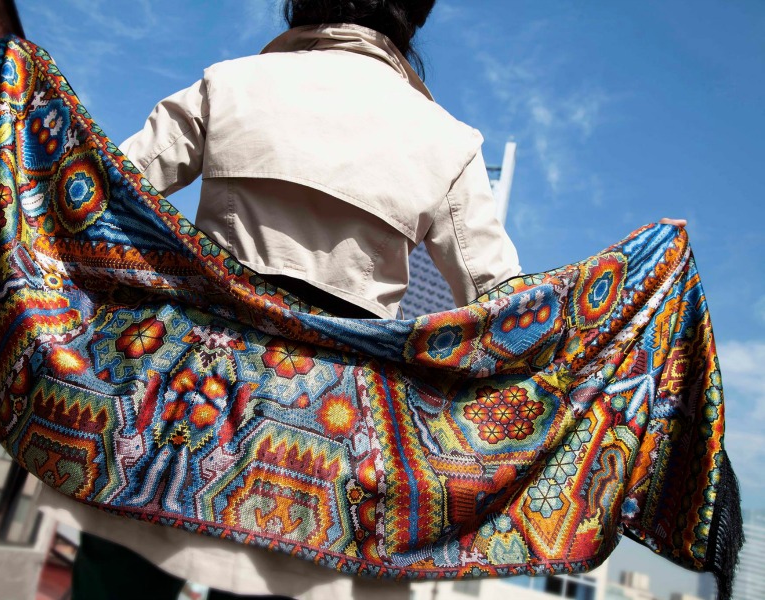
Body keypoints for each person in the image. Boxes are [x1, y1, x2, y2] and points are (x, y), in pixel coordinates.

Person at [43, 1, 686, 598]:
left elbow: (94, 200)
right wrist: (619, 308)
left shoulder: (229, 83)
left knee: (117, 573)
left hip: (177, 403)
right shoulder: (446, 142)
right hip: (330, 437)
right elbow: (507, 310)